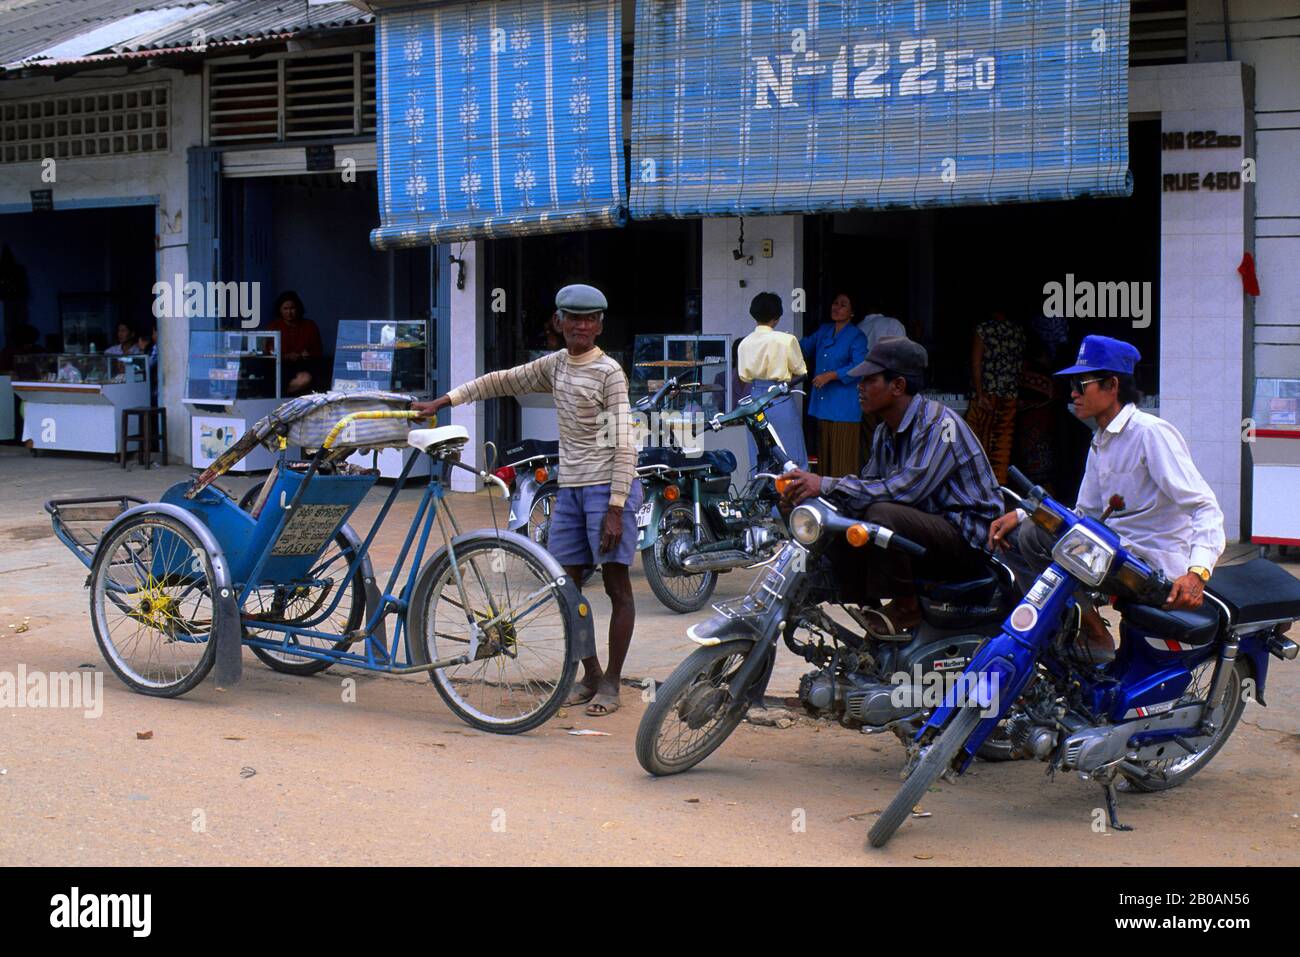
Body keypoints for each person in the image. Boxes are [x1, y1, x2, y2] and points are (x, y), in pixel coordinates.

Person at [411, 284, 640, 718]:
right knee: (565, 586)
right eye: (573, 318)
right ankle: (589, 673)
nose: (582, 326)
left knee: (616, 587)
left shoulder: (609, 372)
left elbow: (625, 442)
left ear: (600, 325)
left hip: (610, 488)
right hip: (570, 489)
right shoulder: (554, 366)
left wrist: (615, 507)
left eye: (590, 319)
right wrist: (443, 402)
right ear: (559, 322)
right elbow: (499, 381)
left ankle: (612, 681)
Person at [988, 335, 1225, 663]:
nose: (1073, 394)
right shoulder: (1101, 440)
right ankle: (1063, 630)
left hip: (1151, 567)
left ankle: (1094, 634)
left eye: (1080, 384)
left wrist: (1196, 573)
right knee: (1015, 539)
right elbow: (1086, 515)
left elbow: (1203, 506)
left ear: (1112, 385)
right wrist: (1025, 513)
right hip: (1118, 558)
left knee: (1035, 536)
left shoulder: (1150, 434)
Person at [779, 337, 1003, 636]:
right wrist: (809, 494)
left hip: (967, 538)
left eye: (869, 380)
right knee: (838, 512)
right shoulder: (886, 430)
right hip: (926, 530)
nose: (859, 387)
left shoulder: (939, 425)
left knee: (882, 514)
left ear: (897, 386)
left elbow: (905, 491)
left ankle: (905, 609)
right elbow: (869, 485)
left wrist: (824, 483)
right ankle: (864, 600)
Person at [736, 291, 808, 471]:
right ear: (776, 318)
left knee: (760, 456)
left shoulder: (744, 343)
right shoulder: (786, 340)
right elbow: (802, 373)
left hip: (754, 400)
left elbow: (743, 376)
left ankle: (760, 495)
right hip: (779, 398)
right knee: (792, 455)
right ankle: (795, 495)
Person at [800, 292, 867, 477]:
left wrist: (831, 375)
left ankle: (844, 501)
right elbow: (802, 347)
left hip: (844, 408)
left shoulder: (857, 336)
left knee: (842, 462)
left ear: (852, 312)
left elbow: (860, 366)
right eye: (835, 302)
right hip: (823, 406)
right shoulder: (824, 331)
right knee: (824, 461)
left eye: (843, 304)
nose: (836, 307)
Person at [965, 306, 1026, 484]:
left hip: (987, 393)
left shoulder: (984, 329)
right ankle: (997, 487)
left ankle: (978, 487)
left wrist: (979, 393)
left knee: (978, 443)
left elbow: (975, 363)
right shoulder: (1017, 331)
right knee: (1002, 446)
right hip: (1009, 394)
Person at [267, 291, 323, 396]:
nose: (289, 312)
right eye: (285, 309)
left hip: (304, 366)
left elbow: (318, 351)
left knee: (306, 378)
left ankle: (280, 396)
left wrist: (307, 355)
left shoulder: (310, 326)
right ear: (280, 310)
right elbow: (268, 352)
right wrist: (286, 356)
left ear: (298, 308)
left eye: (292, 308)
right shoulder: (273, 327)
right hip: (280, 367)